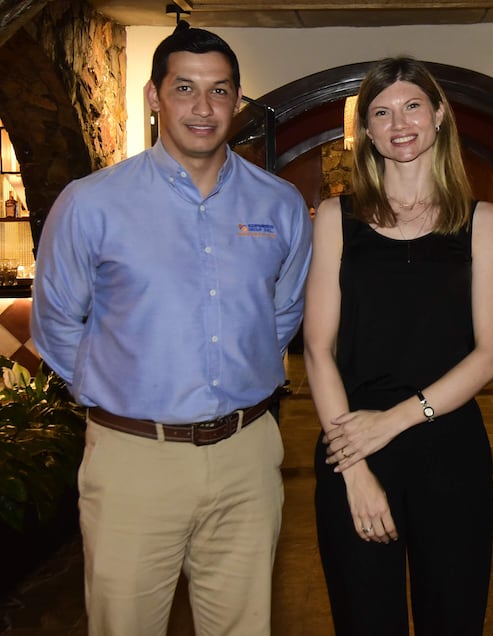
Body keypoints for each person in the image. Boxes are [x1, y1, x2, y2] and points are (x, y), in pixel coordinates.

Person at [30, 21, 311, 636]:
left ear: (239, 100)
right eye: (184, 88)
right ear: (155, 97)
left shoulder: (279, 205)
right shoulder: (92, 202)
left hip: (247, 456)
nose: (202, 107)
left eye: (219, 90)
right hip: (134, 460)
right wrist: (118, 393)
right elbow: (55, 323)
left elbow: (283, 314)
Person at [304, 56, 493, 635]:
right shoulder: (335, 219)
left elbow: (492, 354)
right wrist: (356, 469)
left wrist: (391, 421)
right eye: (382, 111)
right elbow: (318, 350)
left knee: (454, 619)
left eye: (413, 105)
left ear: (440, 115)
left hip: (451, 454)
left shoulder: (484, 221)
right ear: (366, 131)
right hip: (352, 449)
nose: (400, 122)